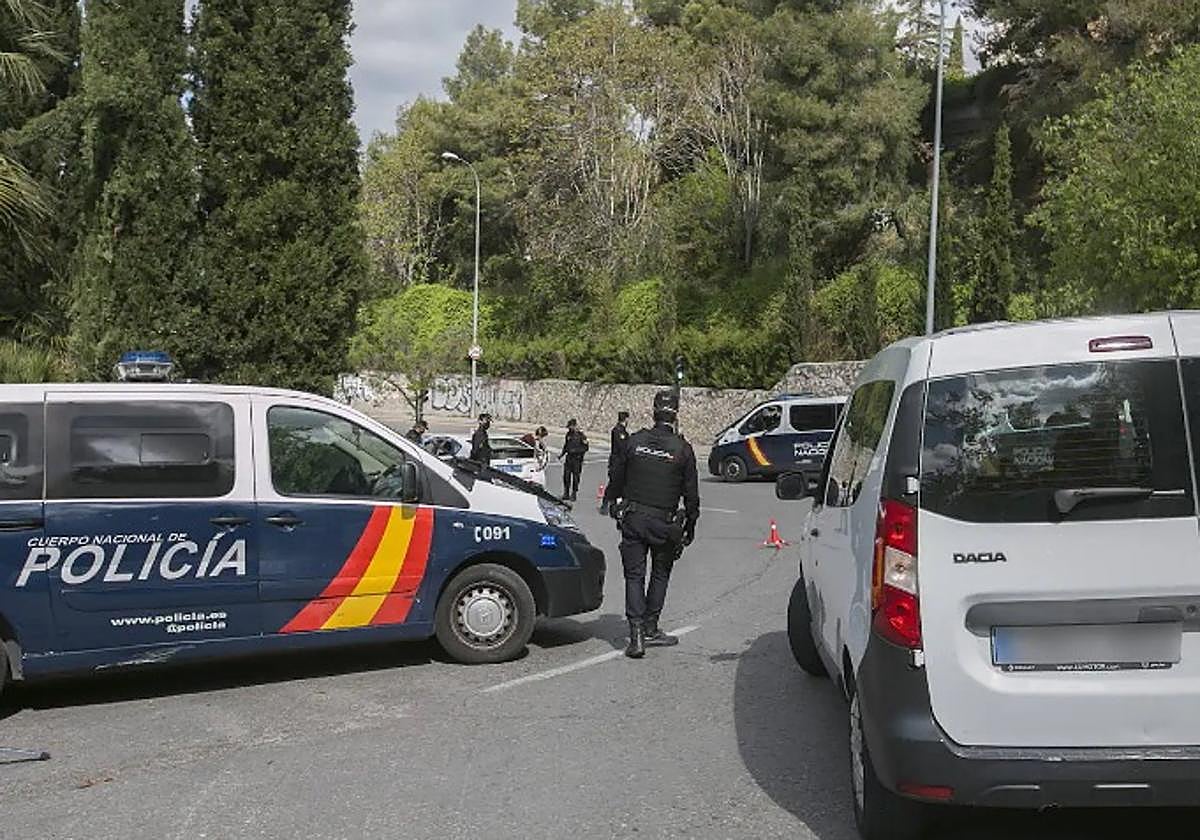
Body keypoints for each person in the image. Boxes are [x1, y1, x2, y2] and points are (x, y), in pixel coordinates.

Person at [603, 390, 699, 659]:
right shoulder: (683, 449)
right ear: (676, 414)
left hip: (634, 518)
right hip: (664, 523)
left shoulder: (634, 442)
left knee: (634, 576)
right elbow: (691, 495)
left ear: (653, 411)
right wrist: (691, 526)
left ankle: (635, 636)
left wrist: (612, 502)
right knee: (660, 573)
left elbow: (617, 477)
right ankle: (650, 626)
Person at [601, 411, 630, 515]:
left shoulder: (624, 432)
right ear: (625, 419)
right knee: (613, 484)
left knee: (621, 485)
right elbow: (622, 447)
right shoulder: (618, 431)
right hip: (617, 462)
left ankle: (615, 506)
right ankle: (605, 503)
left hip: (622, 462)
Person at [559, 419, 589, 500]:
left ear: (574, 426)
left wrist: (576, 451)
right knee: (566, 476)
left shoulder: (581, 435)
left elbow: (586, 448)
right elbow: (566, 446)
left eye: (570, 427)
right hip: (569, 459)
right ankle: (566, 493)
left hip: (577, 459)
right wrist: (561, 455)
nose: (569, 428)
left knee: (576, 478)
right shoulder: (568, 434)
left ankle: (574, 493)